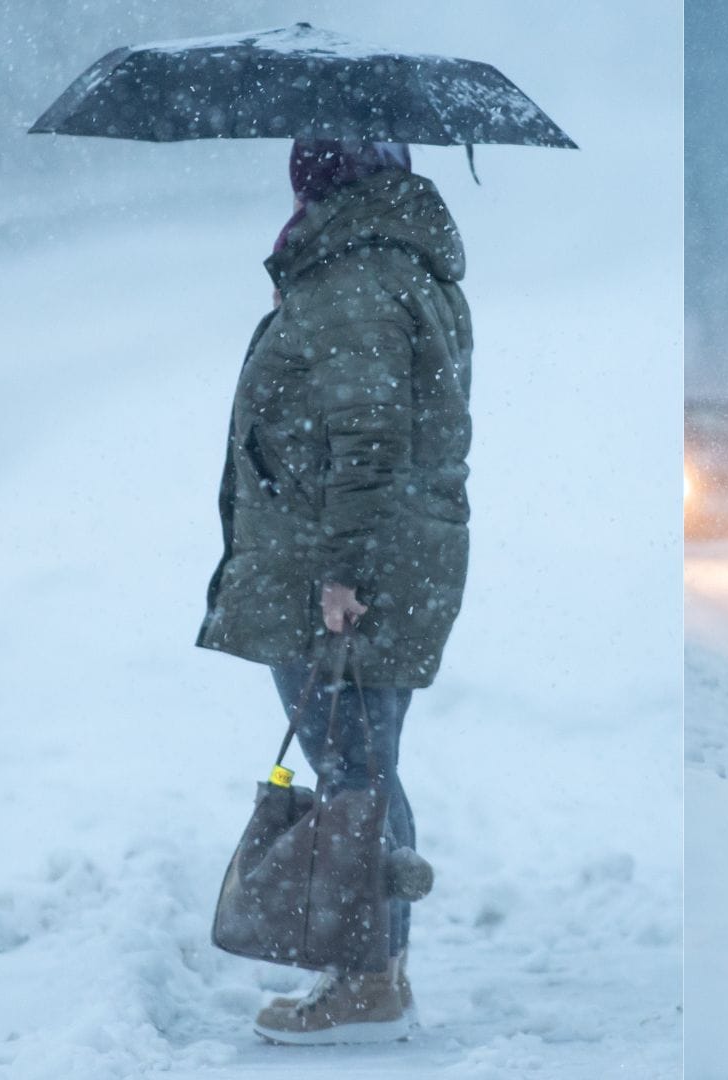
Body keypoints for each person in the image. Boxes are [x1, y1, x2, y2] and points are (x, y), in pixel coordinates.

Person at [196, 138, 473, 1044]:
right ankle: (377, 968)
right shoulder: (382, 268)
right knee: (363, 766)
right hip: (369, 556)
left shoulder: (355, 281)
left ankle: (366, 984)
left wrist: (342, 572)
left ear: (325, 182)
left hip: (345, 569)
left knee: (353, 769)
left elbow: (366, 437)